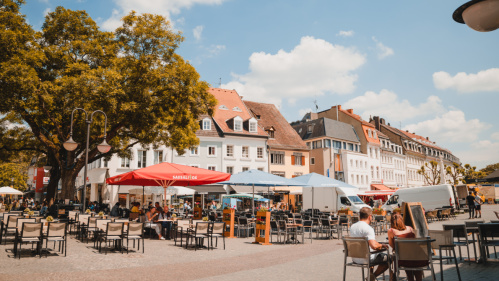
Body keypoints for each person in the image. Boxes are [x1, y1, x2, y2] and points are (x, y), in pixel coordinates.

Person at [350, 207, 390, 281]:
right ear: (370, 216)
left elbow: (370, 243)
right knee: (389, 258)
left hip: (355, 258)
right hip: (366, 259)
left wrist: (377, 244)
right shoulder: (368, 228)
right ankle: (373, 276)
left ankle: (371, 275)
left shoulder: (352, 227)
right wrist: (381, 246)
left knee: (371, 252)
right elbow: (374, 246)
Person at [388, 213, 426, 281]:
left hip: (404, 259)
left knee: (405, 258)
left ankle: (410, 278)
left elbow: (392, 245)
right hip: (418, 258)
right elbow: (415, 243)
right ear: (402, 220)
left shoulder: (391, 231)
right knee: (413, 258)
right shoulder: (410, 229)